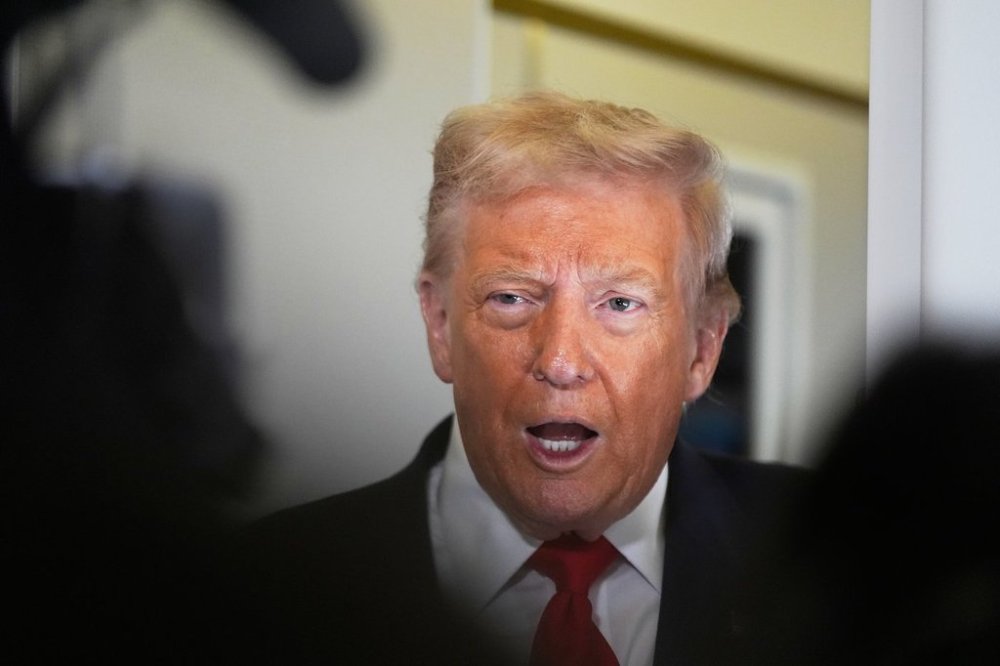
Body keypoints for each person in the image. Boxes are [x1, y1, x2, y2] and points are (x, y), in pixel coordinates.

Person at [247, 91, 806, 665]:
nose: (561, 362)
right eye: (511, 297)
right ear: (440, 325)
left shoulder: (834, 559)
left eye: (619, 304)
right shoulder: (262, 589)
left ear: (703, 346)